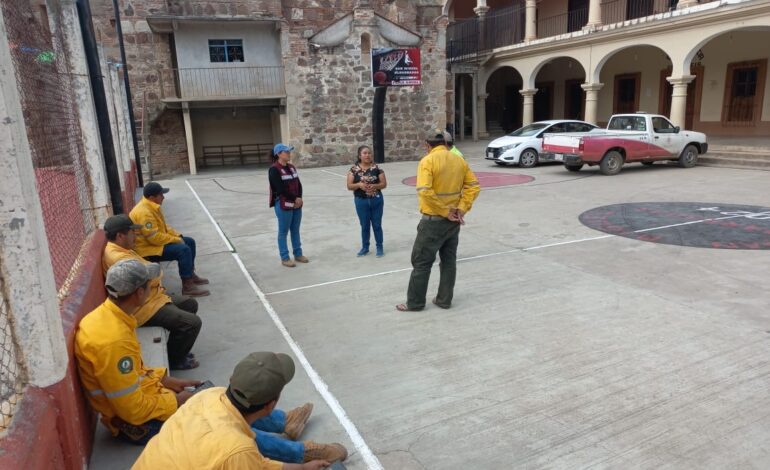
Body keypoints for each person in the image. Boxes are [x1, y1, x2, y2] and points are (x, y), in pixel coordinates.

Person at [77, 260, 340, 461]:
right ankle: (299, 452)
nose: (152, 288)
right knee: (223, 422)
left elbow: (135, 373)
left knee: (219, 396)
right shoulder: (112, 340)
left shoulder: (110, 319)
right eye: (149, 285)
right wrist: (177, 400)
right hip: (137, 425)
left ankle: (284, 421)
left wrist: (169, 380)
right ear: (138, 293)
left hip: (147, 402)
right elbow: (132, 410)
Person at [133, 352, 348, 469]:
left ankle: (291, 431)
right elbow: (242, 458)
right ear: (271, 404)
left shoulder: (209, 395)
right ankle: (300, 448)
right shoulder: (238, 451)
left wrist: (300, 469)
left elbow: (253, 464)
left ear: (231, 381)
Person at [102, 214, 201, 370]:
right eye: (131, 232)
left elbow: (150, 271)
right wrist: (155, 274)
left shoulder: (123, 249)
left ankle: (177, 349)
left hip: (151, 296)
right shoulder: (118, 257)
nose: (135, 235)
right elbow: (149, 275)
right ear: (120, 235)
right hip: (142, 306)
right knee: (192, 323)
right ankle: (175, 360)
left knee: (189, 303)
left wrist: (154, 274)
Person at [396, 129, 480, 312]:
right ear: (445, 144)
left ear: (428, 145)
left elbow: (425, 190)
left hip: (433, 221)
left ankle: (415, 303)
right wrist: (461, 209)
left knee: (421, 263)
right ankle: (444, 300)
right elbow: (474, 187)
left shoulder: (427, 161)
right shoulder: (459, 160)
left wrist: (444, 211)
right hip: (454, 222)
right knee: (449, 261)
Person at [129, 181, 210, 297]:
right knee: (183, 250)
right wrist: (175, 240)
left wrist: (178, 236)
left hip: (154, 244)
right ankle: (187, 286)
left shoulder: (152, 206)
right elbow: (154, 238)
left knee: (189, 242)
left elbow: (163, 227)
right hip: (147, 249)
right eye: (160, 195)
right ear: (152, 197)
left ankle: (191, 274)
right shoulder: (144, 212)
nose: (163, 197)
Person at [269, 144, 308, 268]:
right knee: (283, 232)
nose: (289, 154)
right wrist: (295, 199)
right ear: (279, 154)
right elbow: (280, 189)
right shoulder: (274, 169)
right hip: (283, 204)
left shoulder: (291, 167)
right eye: (286, 152)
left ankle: (298, 254)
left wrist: (300, 198)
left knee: (295, 230)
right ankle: (285, 258)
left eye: (289, 151)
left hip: (296, 204)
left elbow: (299, 184)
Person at [346, 145, 387, 257]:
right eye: (365, 153)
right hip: (361, 201)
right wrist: (359, 185)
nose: (367, 155)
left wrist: (375, 186)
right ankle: (365, 247)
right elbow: (349, 186)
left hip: (376, 200)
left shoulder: (377, 169)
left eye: (369, 153)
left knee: (377, 225)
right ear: (359, 156)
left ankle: (379, 246)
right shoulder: (353, 170)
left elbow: (384, 184)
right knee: (364, 225)